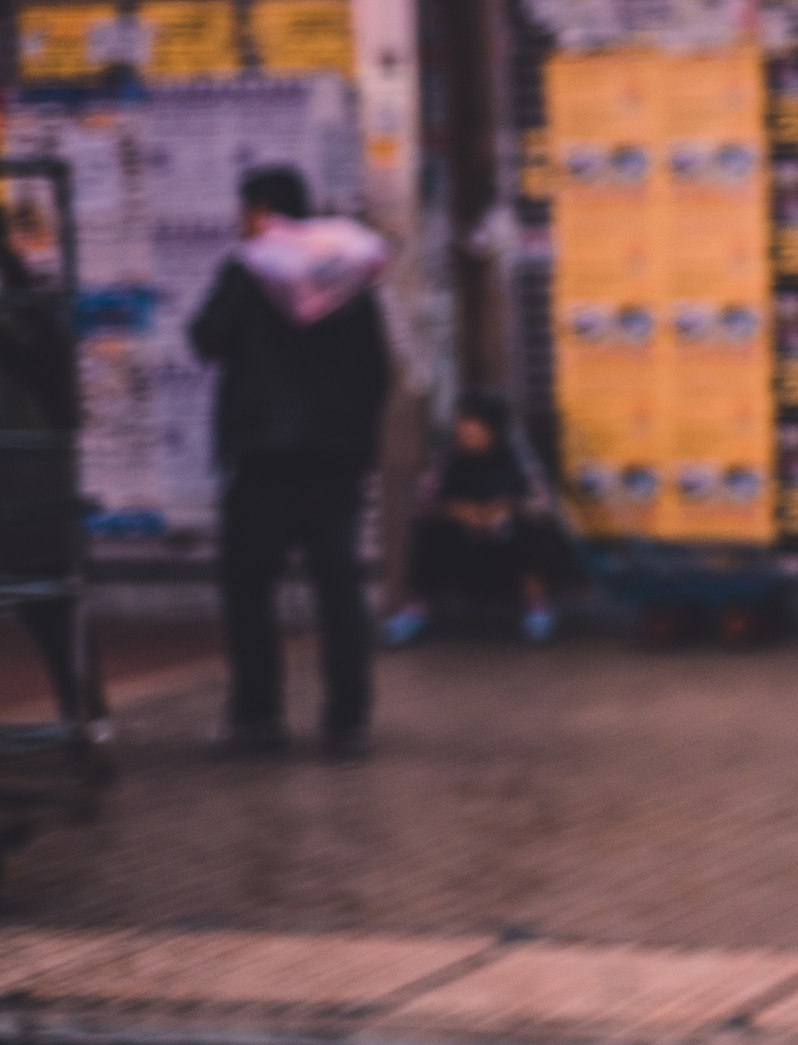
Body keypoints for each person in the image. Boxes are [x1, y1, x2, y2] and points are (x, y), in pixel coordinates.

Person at [188, 166, 392, 759]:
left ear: (261, 212)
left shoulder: (249, 269)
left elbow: (207, 337)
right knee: (339, 587)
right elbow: (377, 369)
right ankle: (347, 720)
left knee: (249, 586)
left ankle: (258, 715)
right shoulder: (348, 272)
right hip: (334, 460)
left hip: (263, 458)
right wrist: (354, 439)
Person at [0, 207, 102, 737]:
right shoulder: (35, 308)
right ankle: (84, 720)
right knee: (56, 618)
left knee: (51, 615)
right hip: (42, 490)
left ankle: (83, 720)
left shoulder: (19, 314)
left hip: (18, 489)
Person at [382, 393, 574, 645]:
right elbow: (422, 502)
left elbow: (544, 504)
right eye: (462, 423)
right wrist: (455, 509)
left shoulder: (518, 459)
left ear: (493, 429)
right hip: (462, 544)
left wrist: (508, 506)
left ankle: (537, 609)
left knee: (530, 530)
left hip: (505, 543)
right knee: (429, 531)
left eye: (475, 424)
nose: (466, 431)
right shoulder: (446, 459)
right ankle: (415, 612)